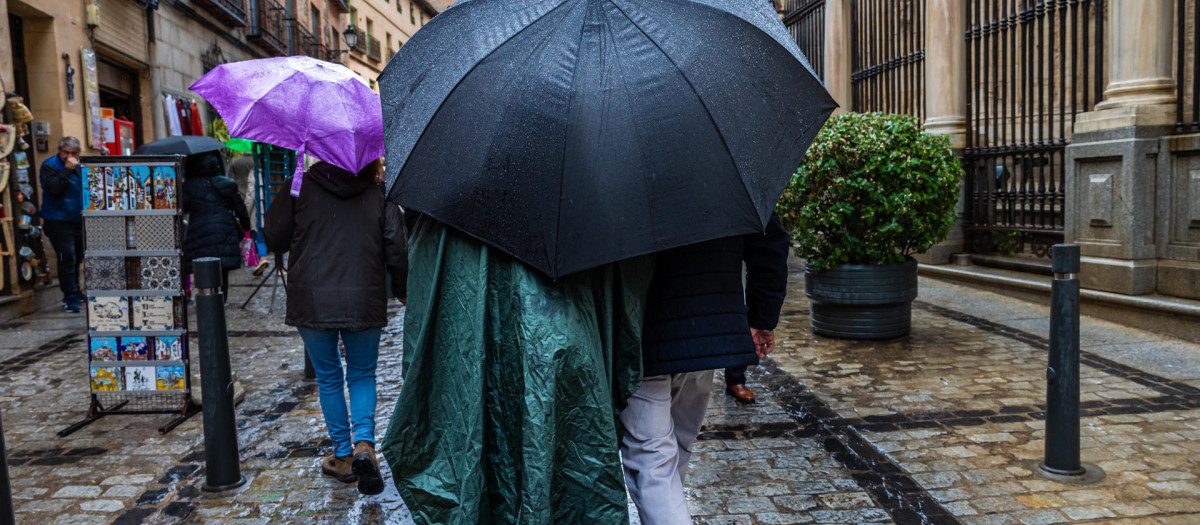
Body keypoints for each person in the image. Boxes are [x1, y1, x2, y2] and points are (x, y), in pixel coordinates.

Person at [381, 218, 654, 524]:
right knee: (559, 461)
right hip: (563, 352)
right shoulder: (581, 204)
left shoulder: (447, 210)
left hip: (531, 356)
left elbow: (424, 306)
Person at [621, 215, 789, 525]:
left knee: (653, 458)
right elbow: (770, 244)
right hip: (705, 334)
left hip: (642, 332)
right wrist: (762, 318)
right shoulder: (724, 170)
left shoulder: (610, 173)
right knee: (676, 446)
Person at [264, 159, 408, 496]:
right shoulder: (377, 191)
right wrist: (402, 288)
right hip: (364, 298)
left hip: (311, 299)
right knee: (362, 374)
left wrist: (292, 187)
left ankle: (343, 455)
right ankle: (364, 446)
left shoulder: (300, 185)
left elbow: (275, 237)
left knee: (329, 376)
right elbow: (398, 248)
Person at [180, 152, 250, 299]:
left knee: (201, 264)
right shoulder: (226, 184)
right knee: (221, 266)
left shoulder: (189, 186)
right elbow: (239, 208)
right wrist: (246, 227)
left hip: (199, 230)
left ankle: (205, 298)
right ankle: (221, 300)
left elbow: (184, 208)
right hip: (224, 228)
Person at [39, 137, 84, 312]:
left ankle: (76, 290)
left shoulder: (81, 165)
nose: (69, 156)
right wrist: (67, 170)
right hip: (58, 219)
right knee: (67, 257)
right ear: (60, 151)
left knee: (78, 256)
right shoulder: (50, 166)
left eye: (73, 153)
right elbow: (54, 188)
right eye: (66, 153)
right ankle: (70, 296)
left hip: (78, 218)